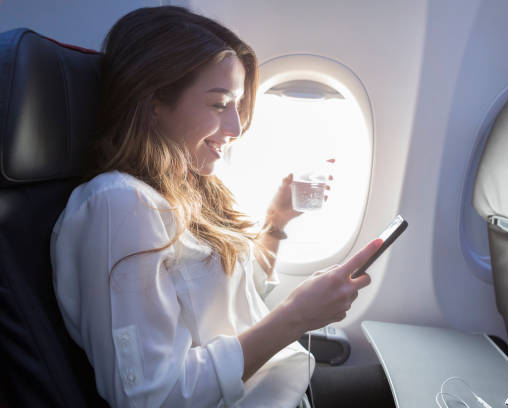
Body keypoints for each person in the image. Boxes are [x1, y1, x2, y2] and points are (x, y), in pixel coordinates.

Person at [51, 6, 395, 408]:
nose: (235, 128)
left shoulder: (189, 188)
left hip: (281, 390)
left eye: (236, 104)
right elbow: (150, 397)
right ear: (154, 102)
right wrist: (296, 317)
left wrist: (276, 223)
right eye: (218, 105)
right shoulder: (119, 204)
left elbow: (231, 307)